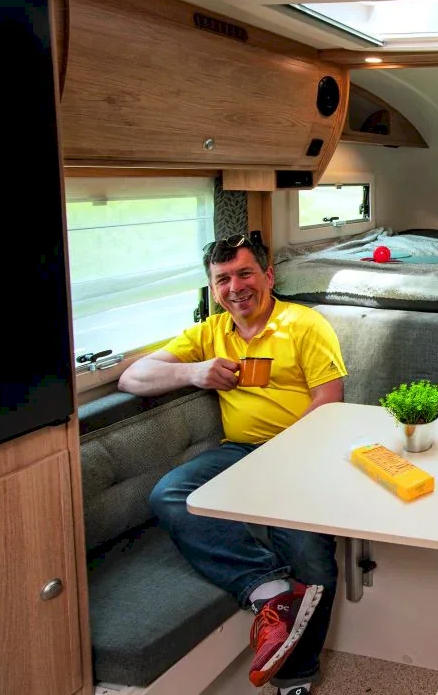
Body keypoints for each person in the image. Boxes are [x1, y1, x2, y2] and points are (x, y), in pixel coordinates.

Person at [119, 233, 346, 694]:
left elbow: (329, 401)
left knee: (312, 559)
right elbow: (131, 377)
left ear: (268, 276)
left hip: (302, 455)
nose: (235, 287)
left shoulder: (304, 324)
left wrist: (283, 459)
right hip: (239, 453)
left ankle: (296, 677)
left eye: (245, 274)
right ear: (213, 288)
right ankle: (269, 590)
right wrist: (193, 372)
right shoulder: (210, 332)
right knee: (170, 493)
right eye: (223, 279)